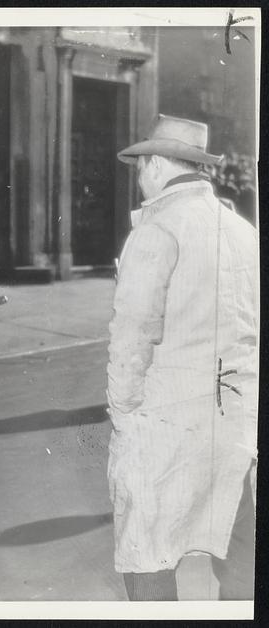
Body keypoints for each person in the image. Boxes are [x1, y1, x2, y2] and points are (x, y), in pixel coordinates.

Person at [107, 115, 258, 601]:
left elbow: (132, 338)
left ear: (152, 164)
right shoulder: (241, 228)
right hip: (235, 414)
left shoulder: (157, 231)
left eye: (140, 166)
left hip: (167, 419)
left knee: (147, 545)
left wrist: (122, 411)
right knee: (238, 546)